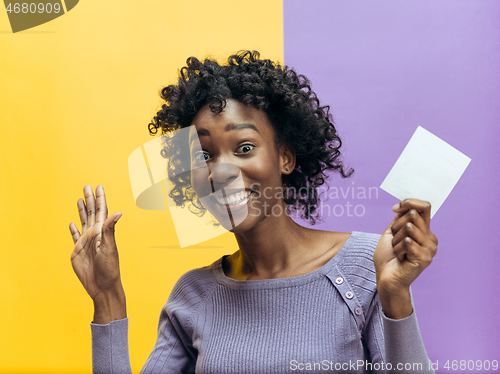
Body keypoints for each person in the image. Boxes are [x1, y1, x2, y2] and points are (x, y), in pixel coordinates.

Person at [69, 51, 438, 374]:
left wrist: (394, 294)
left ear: (285, 157)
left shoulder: (367, 267)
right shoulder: (194, 294)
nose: (220, 171)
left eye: (244, 147)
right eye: (203, 155)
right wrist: (107, 298)